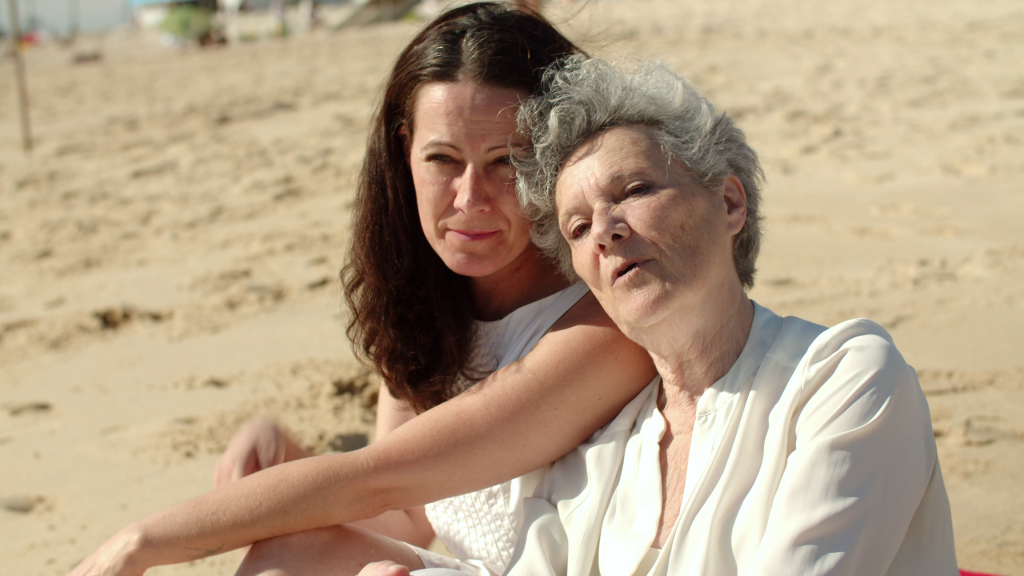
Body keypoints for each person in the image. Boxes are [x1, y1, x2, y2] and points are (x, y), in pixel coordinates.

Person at [66, 6, 656, 576]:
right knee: (292, 552)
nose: (469, 198)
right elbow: (402, 513)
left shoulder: (604, 322)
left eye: (506, 162)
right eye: (443, 159)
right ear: (406, 153)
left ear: (558, 163)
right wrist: (290, 457)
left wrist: (139, 541)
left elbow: (378, 479)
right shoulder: (431, 306)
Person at [501, 56, 958, 575]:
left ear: (730, 203)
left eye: (634, 190)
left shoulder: (845, 381)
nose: (604, 230)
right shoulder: (593, 448)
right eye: (578, 228)